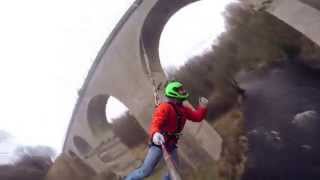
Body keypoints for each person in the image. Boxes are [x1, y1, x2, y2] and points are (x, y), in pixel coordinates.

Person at [125, 80, 208, 180]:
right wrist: (155, 134)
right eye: (180, 90)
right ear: (174, 92)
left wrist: (202, 107)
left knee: (174, 172)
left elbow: (197, 117)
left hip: (171, 145)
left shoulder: (183, 110)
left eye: (182, 89)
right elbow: (155, 123)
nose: (183, 91)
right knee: (145, 171)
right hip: (158, 144)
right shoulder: (165, 107)